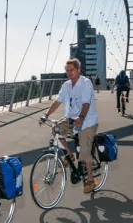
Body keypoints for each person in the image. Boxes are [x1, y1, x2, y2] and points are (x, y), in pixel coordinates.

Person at [40, 58, 99, 193]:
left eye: (72, 69)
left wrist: (81, 117)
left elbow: (86, 104)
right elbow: (57, 101)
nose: (69, 72)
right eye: (67, 70)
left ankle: (90, 180)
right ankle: (69, 155)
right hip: (71, 119)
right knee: (55, 129)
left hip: (87, 120)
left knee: (84, 151)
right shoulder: (66, 85)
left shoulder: (86, 83)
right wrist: (46, 115)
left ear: (79, 70)